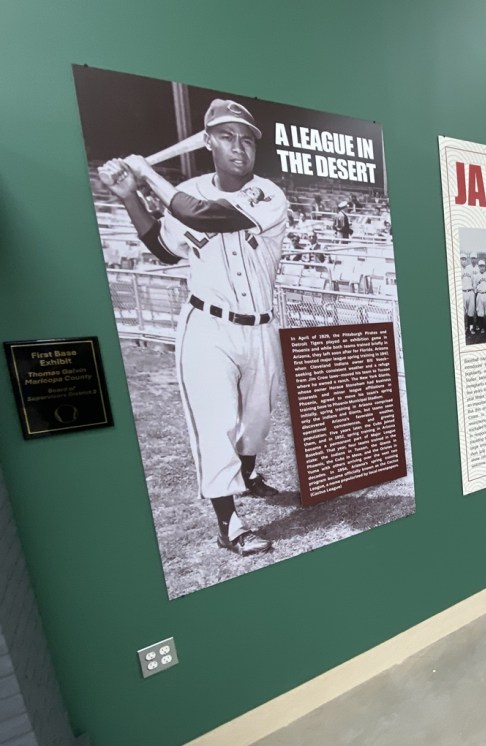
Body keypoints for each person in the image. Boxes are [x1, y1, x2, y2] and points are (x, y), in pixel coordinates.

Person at [98, 99, 285, 557]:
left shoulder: (268, 193)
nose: (239, 146)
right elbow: (163, 248)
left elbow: (208, 215)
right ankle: (230, 523)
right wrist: (129, 196)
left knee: (256, 422)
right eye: (226, 136)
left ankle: (250, 474)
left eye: (246, 138)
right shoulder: (186, 192)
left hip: (261, 327)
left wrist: (147, 175)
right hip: (208, 327)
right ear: (208, 142)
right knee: (215, 422)